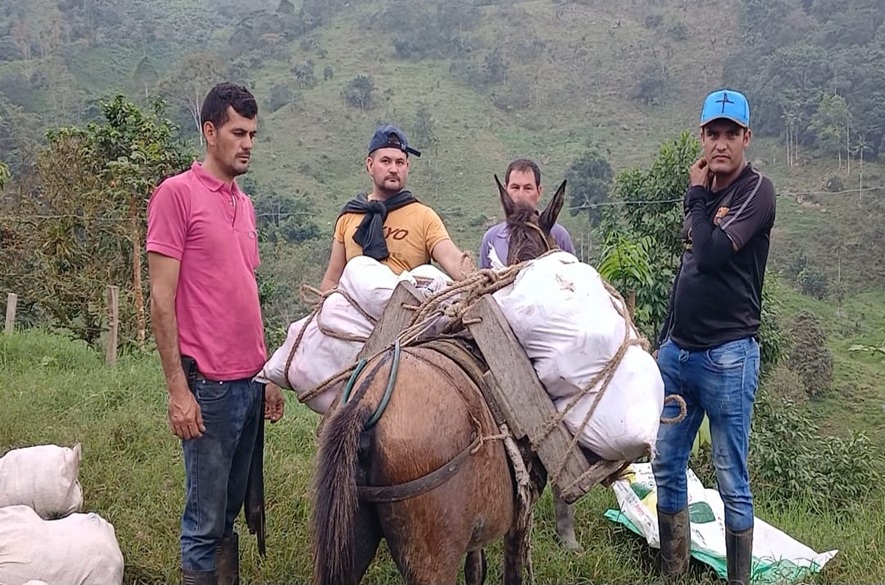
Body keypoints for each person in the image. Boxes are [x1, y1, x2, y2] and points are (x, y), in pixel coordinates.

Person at [147, 82, 286, 585]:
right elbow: (162, 299)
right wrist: (178, 393)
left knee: (230, 512)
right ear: (210, 132)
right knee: (205, 522)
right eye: (237, 132)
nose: (247, 143)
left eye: (252, 133)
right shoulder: (176, 195)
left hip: (249, 384)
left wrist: (270, 372)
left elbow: (249, 294)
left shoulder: (244, 205)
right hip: (208, 388)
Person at [652, 89, 776, 585]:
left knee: (731, 478)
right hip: (678, 354)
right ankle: (673, 571)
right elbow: (688, 271)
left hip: (728, 356)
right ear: (702, 137)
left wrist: (696, 197)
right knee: (666, 462)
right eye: (712, 133)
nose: (721, 143)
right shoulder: (704, 197)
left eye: (730, 134)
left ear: (746, 137)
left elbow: (708, 254)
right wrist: (664, 340)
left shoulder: (755, 191)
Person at [319, 124, 469, 291]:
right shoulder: (349, 217)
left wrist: (490, 280)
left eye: (400, 162)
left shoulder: (423, 216)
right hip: (355, 312)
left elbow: (454, 262)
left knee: (428, 273)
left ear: (407, 167)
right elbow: (332, 280)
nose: (393, 169)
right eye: (385, 161)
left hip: (407, 310)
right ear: (370, 165)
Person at [478, 158, 576, 268]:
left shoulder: (559, 235)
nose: (521, 195)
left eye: (528, 188)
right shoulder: (491, 239)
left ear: (539, 191)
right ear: (505, 190)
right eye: (515, 187)